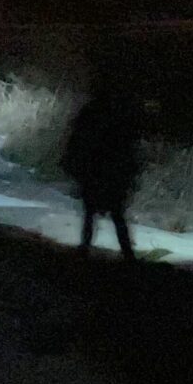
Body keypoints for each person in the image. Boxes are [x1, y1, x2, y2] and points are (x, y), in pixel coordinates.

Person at [62, 83, 144, 262]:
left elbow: (79, 138)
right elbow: (128, 145)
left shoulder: (94, 112)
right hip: (108, 169)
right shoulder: (117, 114)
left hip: (98, 168)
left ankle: (87, 249)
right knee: (113, 212)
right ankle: (126, 254)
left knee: (94, 211)